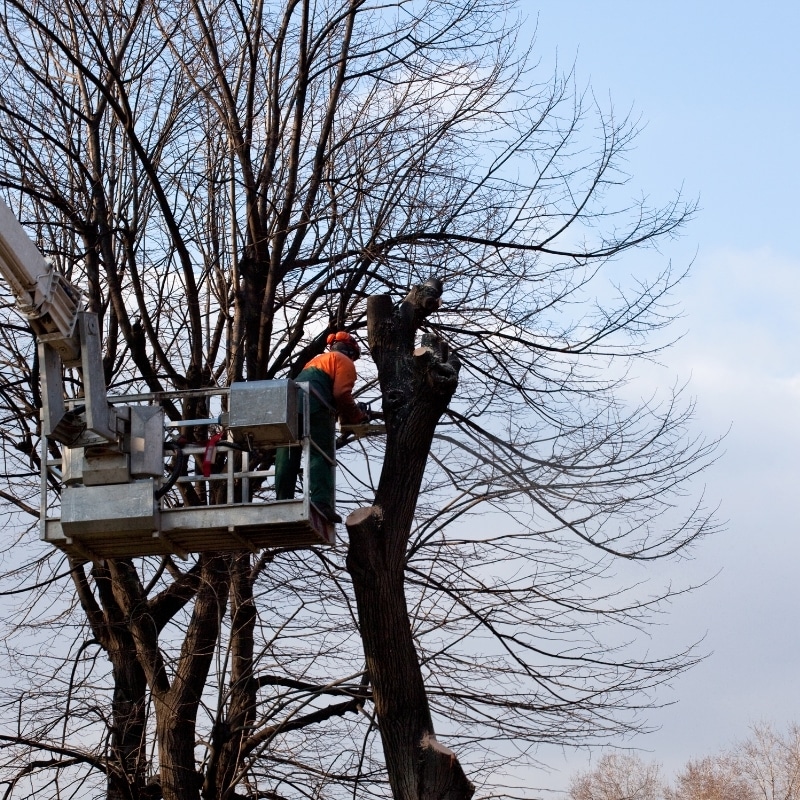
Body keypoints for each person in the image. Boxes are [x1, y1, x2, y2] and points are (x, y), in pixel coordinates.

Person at [274, 332, 368, 523]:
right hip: (315, 405)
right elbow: (341, 394)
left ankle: (282, 501)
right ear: (350, 351)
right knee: (321, 452)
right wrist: (357, 415)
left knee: (288, 450)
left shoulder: (316, 360)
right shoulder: (344, 361)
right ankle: (320, 502)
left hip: (291, 404)